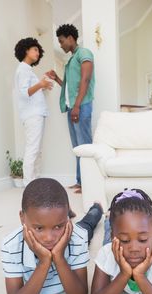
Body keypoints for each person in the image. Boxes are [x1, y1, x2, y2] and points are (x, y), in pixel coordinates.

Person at [1, 178, 102, 294]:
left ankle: (97, 209)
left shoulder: (77, 237)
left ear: (66, 220)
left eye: (58, 226)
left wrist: (59, 257)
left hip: (78, 232)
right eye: (39, 228)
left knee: (88, 224)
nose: (49, 238)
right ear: (22, 218)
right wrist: (44, 262)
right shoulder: (10, 246)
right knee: (83, 226)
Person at [46, 24, 95, 193]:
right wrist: (57, 78)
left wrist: (77, 106)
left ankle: (90, 183)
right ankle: (81, 181)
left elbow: (85, 80)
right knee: (77, 148)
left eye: (61, 41)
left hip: (80, 106)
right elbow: (69, 87)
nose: (60, 45)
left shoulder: (84, 53)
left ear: (70, 38)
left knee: (85, 146)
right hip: (72, 107)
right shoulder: (71, 59)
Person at [14, 37, 53, 187]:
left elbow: (32, 91)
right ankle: (29, 185)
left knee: (37, 150)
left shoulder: (28, 70)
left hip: (37, 114)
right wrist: (41, 84)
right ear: (26, 50)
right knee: (33, 149)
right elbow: (24, 92)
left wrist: (43, 85)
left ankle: (35, 183)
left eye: (38, 50)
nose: (38, 53)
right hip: (32, 115)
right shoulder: (23, 69)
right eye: (35, 49)